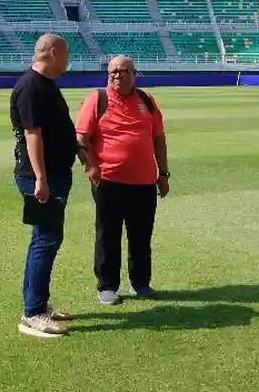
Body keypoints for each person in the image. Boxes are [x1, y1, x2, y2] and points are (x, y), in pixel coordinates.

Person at [75, 55, 170, 305]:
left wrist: (163, 173)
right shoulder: (98, 99)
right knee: (108, 236)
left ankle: (141, 283)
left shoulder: (147, 101)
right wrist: (91, 167)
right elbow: (81, 140)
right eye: (113, 72)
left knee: (141, 236)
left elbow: (159, 138)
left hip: (144, 183)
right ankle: (107, 286)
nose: (117, 75)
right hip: (109, 181)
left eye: (123, 71)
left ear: (134, 74)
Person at [10, 33, 81, 338]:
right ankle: (33, 313)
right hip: (42, 176)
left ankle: (37, 303)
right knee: (46, 240)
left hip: (52, 174)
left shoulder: (46, 86)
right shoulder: (31, 87)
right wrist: (41, 178)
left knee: (44, 239)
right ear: (53, 53)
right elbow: (32, 136)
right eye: (66, 54)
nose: (68, 60)